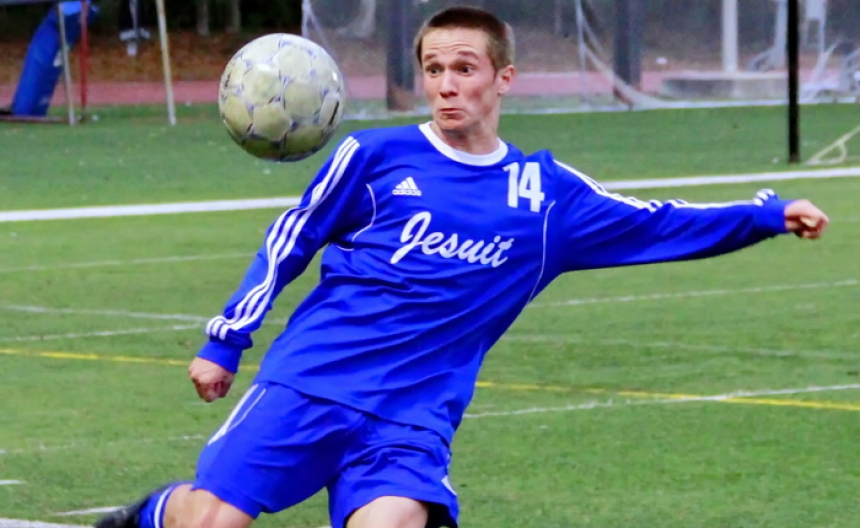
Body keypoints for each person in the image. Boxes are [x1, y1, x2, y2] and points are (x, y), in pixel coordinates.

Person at [95, 5, 829, 528]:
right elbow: (291, 238)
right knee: (211, 521)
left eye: (464, 69)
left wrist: (766, 214)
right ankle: (156, 513)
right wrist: (225, 339)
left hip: (412, 417)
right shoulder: (374, 158)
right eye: (434, 69)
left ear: (503, 78)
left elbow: (657, 221)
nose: (447, 84)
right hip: (310, 382)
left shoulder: (545, 198)